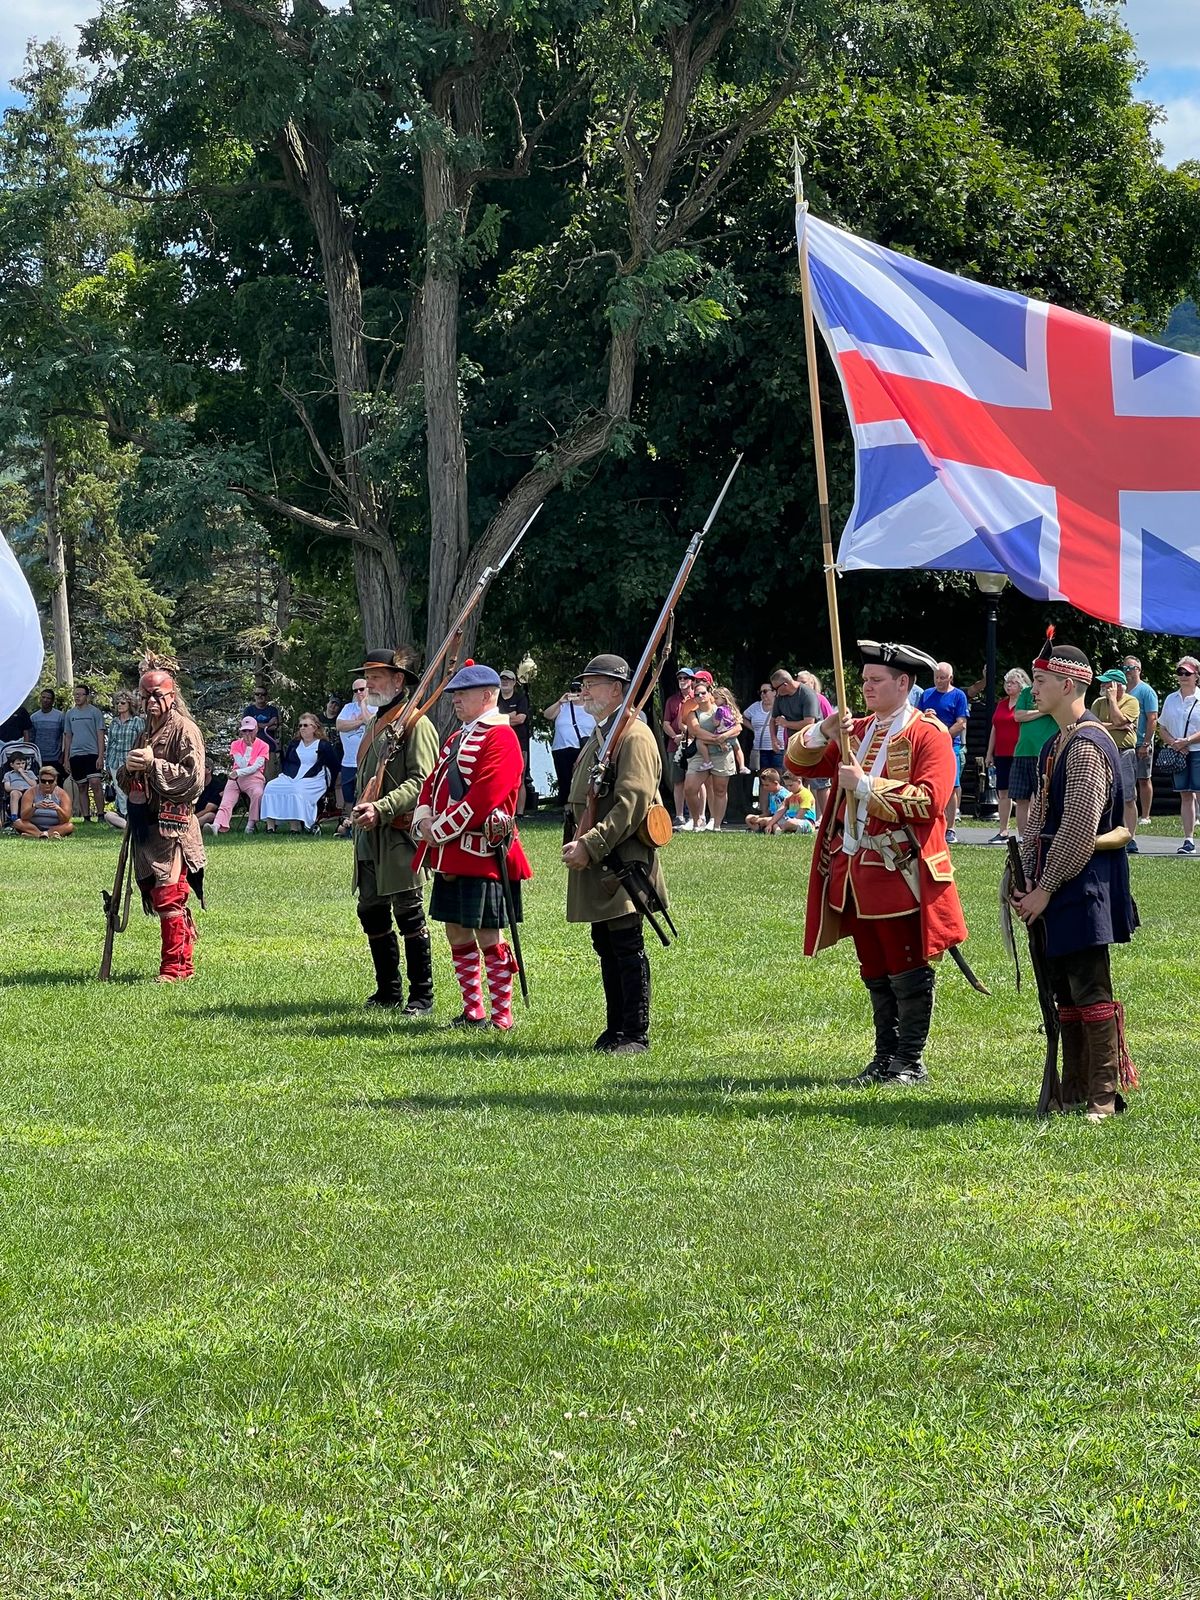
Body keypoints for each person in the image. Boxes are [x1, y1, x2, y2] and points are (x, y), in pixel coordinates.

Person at [786, 640, 966, 1087]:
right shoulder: (857, 729)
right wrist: (823, 730)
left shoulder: (929, 734)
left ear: (903, 683)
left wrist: (866, 786)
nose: (865, 687)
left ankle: (910, 1060)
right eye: (863, 680)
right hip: (853, 870)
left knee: (906, 965)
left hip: (898, 868)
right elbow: (798, 763)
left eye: (875, 681)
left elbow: (930, 801)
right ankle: (885, 1056)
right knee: (874, 968)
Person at [1011, 636, 1139, 1121]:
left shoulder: (1086, 745)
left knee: (1089, 987)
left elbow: (1079, 829)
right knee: (1064, 989)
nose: (1033, 690)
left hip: (1084, 885)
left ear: (1069, 684)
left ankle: (1103, 1095)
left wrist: (1043, 889)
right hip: (1058, 882)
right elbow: (1038, 820)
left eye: (1041, 682)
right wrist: (1026, 878)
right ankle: (1073, 1086)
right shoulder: (1055, 741)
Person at [413, 662, 532, 1030]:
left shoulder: (502, 738)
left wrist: (439, 830)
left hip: (484, 855)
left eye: (462, 694)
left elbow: (485, 797)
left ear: (487, 695)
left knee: (487, 935)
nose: (455, 701)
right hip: (452, 853)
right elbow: (432, 782)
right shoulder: (457, 738)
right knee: (456, 931)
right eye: (454, 695)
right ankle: (473, 1011)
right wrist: (422, 819)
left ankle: (501, 1016)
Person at [562, 654, 668, 1054]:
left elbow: (631, 802)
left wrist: (591, 844)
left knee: (625, 943)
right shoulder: (604, 734)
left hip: (620, 857)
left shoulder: (633, 736)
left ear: (618, 690)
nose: (585, 690)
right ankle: (615, 1028)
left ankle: (635, 1032)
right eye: (585, 682)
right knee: (605, 942)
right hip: (600, 856)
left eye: (594, 683)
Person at [345, 649, 441, 1012]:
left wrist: (382, 808)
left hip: (399, 833)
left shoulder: (417, 724)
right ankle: (388, 990)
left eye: (377, 677)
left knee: (408, 912)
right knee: (370, 910)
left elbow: (423, 782)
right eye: (367, 677)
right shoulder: (376, 724)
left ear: (398, 680)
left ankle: (422, 995)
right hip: (369, 834)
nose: (369, 684)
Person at [117, 656, 206, 981]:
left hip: (174, 825)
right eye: (145, 696)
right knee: (161, 893)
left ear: (172, 695)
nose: (151, 702)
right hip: (146, 825)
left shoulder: (185, 730)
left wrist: (154, 765)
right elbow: (128, 781)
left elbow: (193, 780)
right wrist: (129, 768)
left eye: (157, 695)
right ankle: (179, 963)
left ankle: (176, 968)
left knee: (170, 893)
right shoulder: (145, 732)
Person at [260, 714, 339, 834]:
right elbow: (287, 762)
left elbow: (334, 766)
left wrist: (331, 786)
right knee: (271, 786)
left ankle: (294, 827)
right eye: (300, 725)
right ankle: (270, 826)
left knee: (296, 790)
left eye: (306, 725)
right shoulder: (295, 744)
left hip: (314, 778)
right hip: (292, 775)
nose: (302, 728)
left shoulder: (323, 745)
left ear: (314, 727)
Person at [1090, 668, 1141, 851]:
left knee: (1128, 796)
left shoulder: (1131, 701)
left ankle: (1131, 837)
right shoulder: (1097, 702)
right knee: (1103, 795)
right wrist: (1116, 726)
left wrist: (1112, 701)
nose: (1103, 686)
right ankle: (1107, 833)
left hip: (1124, 752)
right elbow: (1092, 725)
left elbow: (1120, 719)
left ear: (1118, 686)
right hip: (1104, 751)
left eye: (1107, 683)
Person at [917, 662, 969, 842]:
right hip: (928, 746)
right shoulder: (926, 694)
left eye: (942, 678)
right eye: (936, 678)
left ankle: (951, 827)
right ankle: (933, 823)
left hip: (950, 745)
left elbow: (961, 722)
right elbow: (916, 718)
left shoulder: (958, 695)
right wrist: (926, 716)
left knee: (952, 786)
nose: (939, 681)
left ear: (950, 678)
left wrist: (943, 734)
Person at [682, 674, 740, 830]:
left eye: (703, 693)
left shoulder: (722, 709)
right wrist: (718, 739)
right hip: (701, 754)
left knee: (720, 789)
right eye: (697, 694)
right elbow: (696, 732)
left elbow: (738, 727)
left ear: (709, 694)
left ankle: (717, 825)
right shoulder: (693, 714)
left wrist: (725, 736)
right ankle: (696, 821)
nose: (700, 696)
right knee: (690, 788)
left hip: (722, 754)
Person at [1157, 654, 1200, 854]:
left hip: (1198, 751)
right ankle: (1188, 839)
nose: (1183, 676)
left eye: (1187, 673)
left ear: (1196, 676)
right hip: (1179, 753)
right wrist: (1175, 743)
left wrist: (1188, 741)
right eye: (1180, 672)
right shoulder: (1170, 699)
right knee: (1185, 794)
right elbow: (1162, 727)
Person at [1009, 675, 1058, 841]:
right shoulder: (1025, 693)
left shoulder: (1053, 692)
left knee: (1041, 798)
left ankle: (1039, 833)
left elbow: (1053, 710)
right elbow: (1018, 716)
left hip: (1043, 752)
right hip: (1022, 751)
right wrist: (1041, 711)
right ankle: (1023, 836)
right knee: (1021, 797)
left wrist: (1038, 712)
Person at [983, 669, 1028, 843]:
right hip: (1001, 753)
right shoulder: (1002, 704)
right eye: (1007, 682)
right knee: (1003, 792)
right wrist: (989, 753)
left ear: (1021, 685)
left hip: (1020, 753)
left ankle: (1024, 831)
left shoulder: (1025, 704)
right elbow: (995, 728)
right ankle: (1003, 830)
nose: (1009, 685)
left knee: (1022, 795)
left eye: (1013, 682)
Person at [209, 717, 270, 833]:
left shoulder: (264, 745)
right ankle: (216, 825)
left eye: (250, 730)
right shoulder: (235, 744)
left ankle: (250, 825)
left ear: (256, 729)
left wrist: (238, 772)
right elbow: (241, 764)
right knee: (227, 799)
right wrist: (248, 749)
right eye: (245, 731)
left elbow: (256, 766)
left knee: (257, 793)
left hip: (254, 777)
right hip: (236, 778)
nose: (247, 733)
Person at [543, 681, 596, 806]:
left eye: (579, 689)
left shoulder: (590, 707)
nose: (576, 693)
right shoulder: (563, 707)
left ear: (584, 690)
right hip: (562, 748)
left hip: (583, 749)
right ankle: (566, 807)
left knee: (583, 779)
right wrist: (560, 702)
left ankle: (582, 805)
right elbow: (547, 715)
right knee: (565, 780)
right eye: (573, 690)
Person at [334, 677, 374, 838]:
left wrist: (364, 705)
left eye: (362, 689)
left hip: (366, 759)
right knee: (348, 795)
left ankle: (359, 827)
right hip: (348, 761)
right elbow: (339, 726)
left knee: (363, 793)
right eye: (355, 690)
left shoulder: (376, 707)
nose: (358, 693)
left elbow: (370, 722)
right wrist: (359, 722)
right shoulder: (348, 708)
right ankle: (349, 826)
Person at [1122, 656, 1159, 824]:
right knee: (1127, 779)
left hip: (1142, 742)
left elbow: (1153, 719)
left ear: (1139, 669)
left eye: (1130, 668)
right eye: (1124, 668)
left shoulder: (1146, 691)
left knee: (1143, 779)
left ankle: (1145, 816)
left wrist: (1146, 743)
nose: (1127, 671)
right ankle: (1128, 813)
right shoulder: (1122, 690)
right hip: (1126, 742)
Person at [62, 683, 107, 823]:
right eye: (75, 694)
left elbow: (100, 734)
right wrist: (66, 758)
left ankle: (101, 815)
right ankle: (86, 817)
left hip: (92, 754)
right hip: (76, 755)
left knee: (95, 783)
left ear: (86, 696)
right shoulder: (70, 714)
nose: (77, 697)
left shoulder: (95, 712)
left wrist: (100, 755)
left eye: (80, 694)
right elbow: (68, 736)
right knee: (81, 786)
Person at [103, 690, 146, 830]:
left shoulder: (137, 721)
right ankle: (124, 818)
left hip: (131, 761)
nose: (119, 705)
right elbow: (110, 744)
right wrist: (107, 763)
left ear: (130, 704)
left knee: (131, 790)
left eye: (123, 703)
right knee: (119, 791)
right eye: (117, 703)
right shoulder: (114, 723)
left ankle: (131, 818)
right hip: (115, 760)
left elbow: (142, 741)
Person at [797, 671, 834, 819]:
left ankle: (824, 818)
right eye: (799, 682)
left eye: (804, 682)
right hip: (801, 746)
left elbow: (831, 720)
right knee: (801, 782)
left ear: (813, 684)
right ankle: (807, 816)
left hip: (819, 747)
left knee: (821, 783)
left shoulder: (820, 699)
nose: (801, 685)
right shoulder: (796, 700)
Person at [662, 667, 696, 824]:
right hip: (674, 746)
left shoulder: (698, 698)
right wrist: (674, 736)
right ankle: (680, 815)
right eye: (680, 678)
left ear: (692, 681)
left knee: (694, 780)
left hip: (694, 744)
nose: (682, 681)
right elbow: (666, 723)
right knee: (678, 781)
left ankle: (695, 816)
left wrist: (686, 735)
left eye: (685, 678)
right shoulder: (672, 700)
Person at [497, 668, 532, 816]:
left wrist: (500, 718)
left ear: (514, 682)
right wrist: (510, 716)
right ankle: (502, 812)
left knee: (520, 778)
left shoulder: (520, 698)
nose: (505, 681)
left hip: (519, 743)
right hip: (499, 743)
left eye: (508, 679)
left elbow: (520, 719)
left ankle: (520, 813)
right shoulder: (495, 698)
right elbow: (489, 719)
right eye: (502, 678)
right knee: (500, 777)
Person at [15, 764, 74, 838]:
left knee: (69, 826)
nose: (47, 784)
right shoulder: (30, 792)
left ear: (55, 781)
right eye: (43, 781)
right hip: (33, 826)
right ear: (39, 780)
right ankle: (43, 834)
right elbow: (24, 817)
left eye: (50, 781)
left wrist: (57, 808)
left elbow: (65, 820)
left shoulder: (62, 794)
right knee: (18, 823)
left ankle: (36, 835)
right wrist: (35, 807)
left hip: (55, 826)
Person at [769, 668, 819, 753]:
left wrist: (786, 723)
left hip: (811, 743)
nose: (775, 692)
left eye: (775, 689)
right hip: (792, 744)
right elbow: (773, 720)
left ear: (785, 685)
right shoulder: (780, 696)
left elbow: (809, 723)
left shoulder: (807, 694)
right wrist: (774, 739)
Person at [742, 682, 779, 774]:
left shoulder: (781, 705)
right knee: (763, 777)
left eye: (765, 691)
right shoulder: (756, 706)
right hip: (761, 748)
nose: (762, 694)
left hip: (779, 748)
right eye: (761, 692)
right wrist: (753, 729)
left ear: (774, 692)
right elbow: (742, 718)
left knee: (779, 776)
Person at [29, 688, 66, 780]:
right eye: (43, 697)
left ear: (53, 701)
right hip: (39, 758)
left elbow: (66, 736)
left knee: (56, 784)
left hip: (56, 758)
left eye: (48, 698)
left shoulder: (60, 716)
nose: (45, 700)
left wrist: (63, 755)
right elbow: (31, 738)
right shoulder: (34, 717)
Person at [4, 753, 39, 828]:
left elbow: (34, 785)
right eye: (18, 764)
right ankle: (14, 817)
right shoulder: (8, 774)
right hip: (16, 790)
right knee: (14, 793)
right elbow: (7, 787)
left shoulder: (29, 773)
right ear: (12, 765)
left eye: (23, 763)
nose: (21, 766)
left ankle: (29, 818)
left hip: (29, 790)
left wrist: (23, 774)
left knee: (30, 794)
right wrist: (16, 788)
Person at [241, 686, 281, 751]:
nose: (260, 696)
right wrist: (269, 724)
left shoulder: (273, 710)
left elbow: (274, 727)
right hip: (251, 748)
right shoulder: (248, 710)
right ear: (254, 696)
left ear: (266, 696)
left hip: (270, 748)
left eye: (263, 694)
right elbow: (246, 728)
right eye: (257, 694)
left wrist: (255, 725)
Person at [744, 764, 784, 831]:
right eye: (763, 785)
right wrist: (759, 816)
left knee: (765, 820)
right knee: (748, 818)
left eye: (767, 785)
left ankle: (768, 829)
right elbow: (769, 811)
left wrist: (762, 819)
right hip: (771, 817)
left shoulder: (782, 795)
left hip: (780, 818)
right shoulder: (771, 793)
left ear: (775, 783)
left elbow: (784, 813)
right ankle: (758, 830)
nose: (764, 787)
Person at [193, 758, 226, 828]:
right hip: (194, 813)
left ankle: (192, 827)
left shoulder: (217, 785)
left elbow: (209, 809)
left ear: (209, 770)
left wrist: (192, 819)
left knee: (210, 815)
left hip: (206, 814)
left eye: (200, 767)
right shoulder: (194, 784)